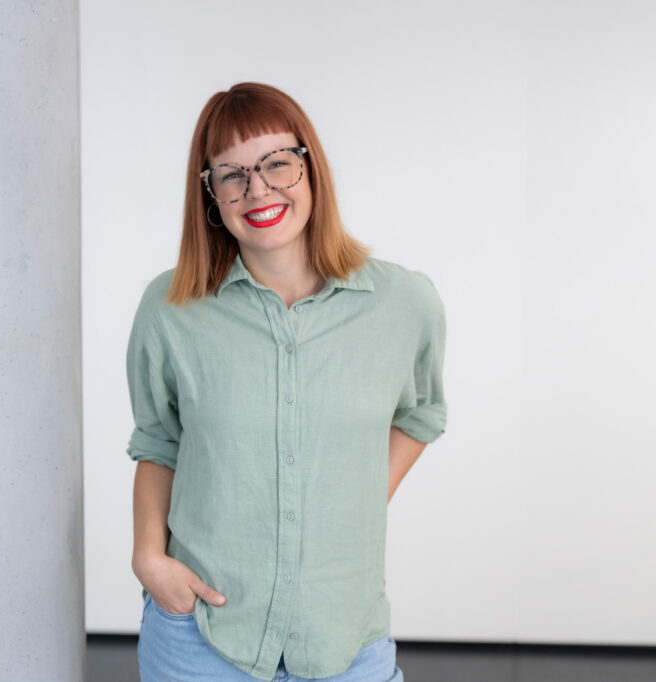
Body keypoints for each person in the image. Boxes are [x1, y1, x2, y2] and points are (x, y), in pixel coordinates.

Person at [125, 82, 447, 682]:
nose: (259, 190)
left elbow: (421, 415)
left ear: (310, 166)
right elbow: (158, 441)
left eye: (277, 163)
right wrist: (149, 558)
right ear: (211, 194)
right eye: (232, 174)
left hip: (344, 636)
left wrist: (347, 514)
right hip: (200, 636)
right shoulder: (170, 308)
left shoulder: (404, 303)